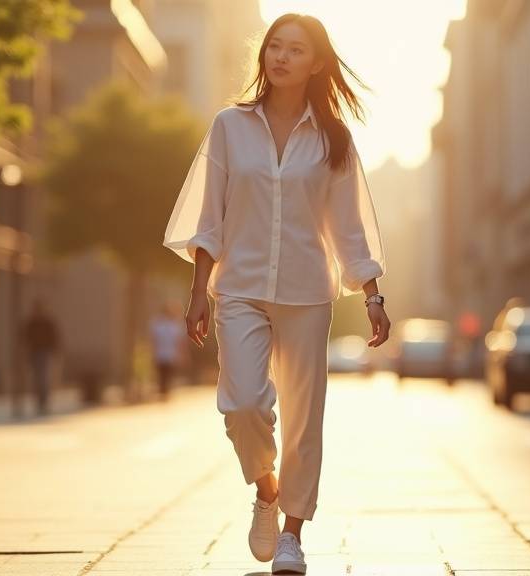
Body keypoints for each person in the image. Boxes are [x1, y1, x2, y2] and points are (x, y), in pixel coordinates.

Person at [162, 13, 390, 575]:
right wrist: (197, 291)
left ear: (316, 63)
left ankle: (292, 534)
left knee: (304, 417)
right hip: (239, 286)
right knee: (243, 403)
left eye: (295, 50)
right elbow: (209, 216)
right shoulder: (229, 126)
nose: (281, 57)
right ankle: (267, 490)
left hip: (307, 292)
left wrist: (372, 295)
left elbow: (349, 226)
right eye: (274, 47)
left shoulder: (334, 139)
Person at [22, 298, 60, 416]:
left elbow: (54, 337)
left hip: (45, 352)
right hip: (34, 352)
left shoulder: (47, 323)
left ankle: (43, 401)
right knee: (37, 378)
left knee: (44, 378)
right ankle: (39, 401)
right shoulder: (32, 323)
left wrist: (56, 351)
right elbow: (25, 337)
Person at [149, 301, 185, 401]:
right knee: (166, 374)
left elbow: (154, 340)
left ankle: (164, 391)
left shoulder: (157, 324)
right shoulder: (174, 325)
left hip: (162, 353)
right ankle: (164, 392)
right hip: (168, 354)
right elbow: (179, 342)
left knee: (163, 374)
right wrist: (182, 354)